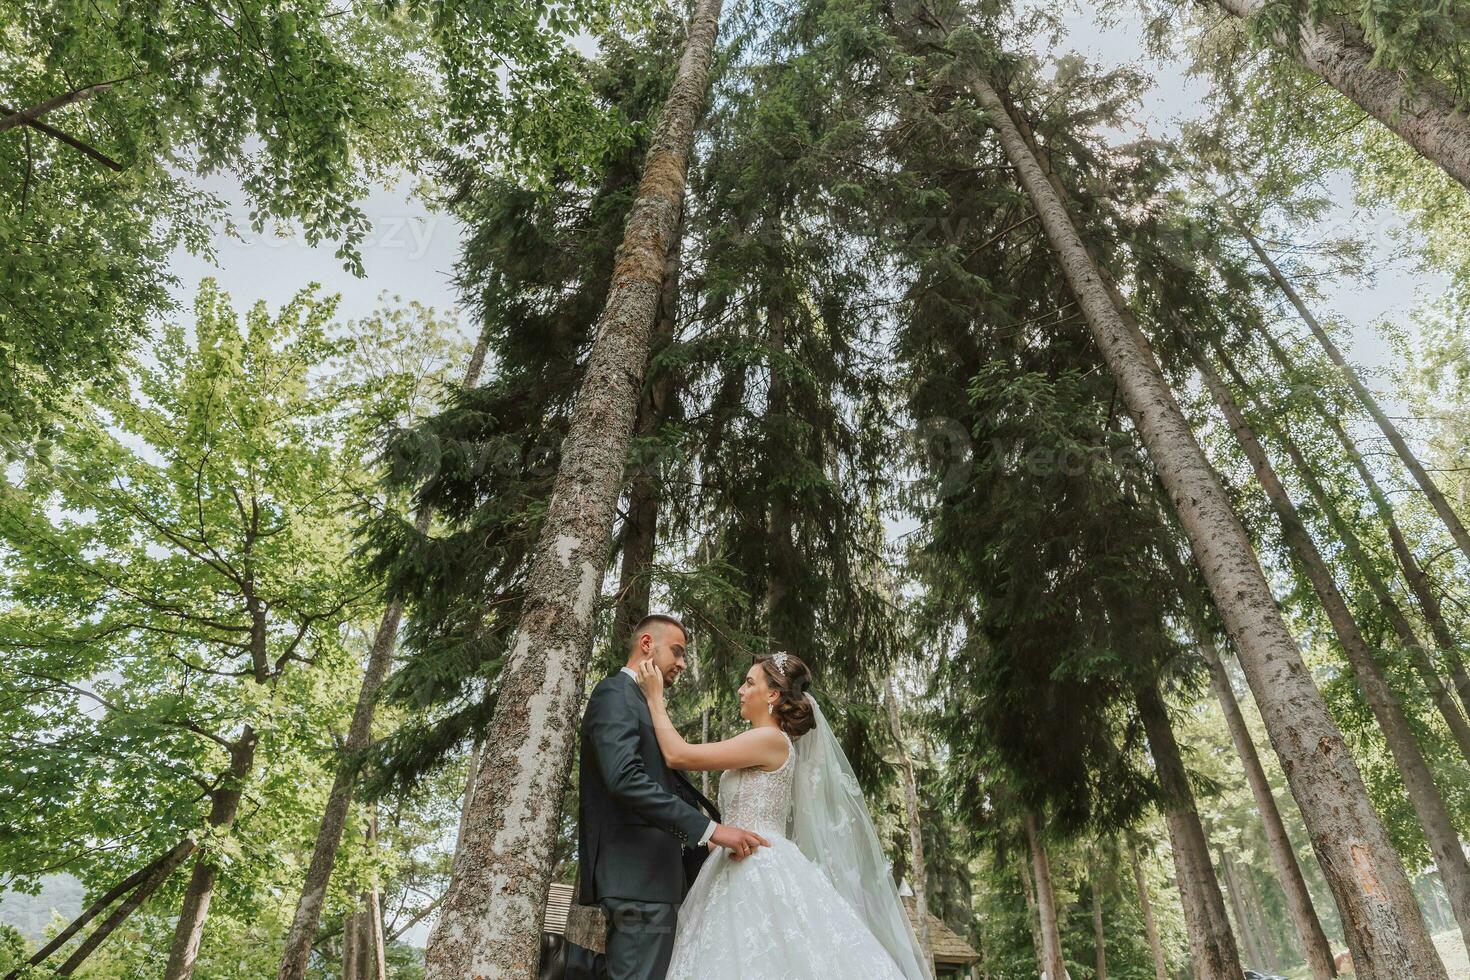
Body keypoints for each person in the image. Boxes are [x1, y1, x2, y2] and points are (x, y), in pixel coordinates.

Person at [635, 649, 934, 980]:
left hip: (758, 869)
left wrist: (655, 698)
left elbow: (678, 755)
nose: (741, 690)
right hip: (734, 860)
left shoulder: (769, 739)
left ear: (773, 694)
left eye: (749, 683)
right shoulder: (761, 739)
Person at [573, 614, 769, 980]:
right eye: (677, 652)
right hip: (636, 877)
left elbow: (667, 787)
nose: (682, 663)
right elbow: (625, 779)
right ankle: (561, 962)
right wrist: (712, 830)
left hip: (658, 879)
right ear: (647, 644)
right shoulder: (615, 693)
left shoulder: (645, 701)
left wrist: (702, 848)